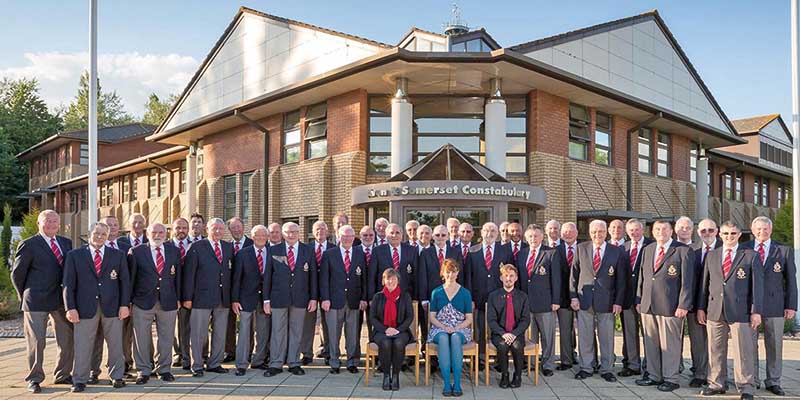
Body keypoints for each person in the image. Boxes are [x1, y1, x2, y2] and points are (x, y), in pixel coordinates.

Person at [697, 221, 763, 400]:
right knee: (715, 349)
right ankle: (717, 383)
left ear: (739, 234)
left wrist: (756, 311)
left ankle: (746, 386)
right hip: (715, 310)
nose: (729, 237)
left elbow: (758, 286)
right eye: (726, 234)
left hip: (741, 311)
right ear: (720, 235)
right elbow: (704, 284)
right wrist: (701, 308)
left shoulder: (750, 256)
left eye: (733, 233)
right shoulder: (712, 255)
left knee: (743, 350)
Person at [11, 210, 74, 393]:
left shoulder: (66, 243)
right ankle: (35, 378)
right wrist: (24, 295)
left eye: (55, 221)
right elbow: (17, 273)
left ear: (60, 224)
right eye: (48, 221)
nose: (52, 224)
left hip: (60, 300)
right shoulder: (29, 244)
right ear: (39, 223)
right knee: (37, 341)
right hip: (35, 300)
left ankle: (63, 374)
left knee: (67, 338)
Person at [63, 222, 130, 392]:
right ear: (89, 234)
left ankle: (116, 376)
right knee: (83, 345)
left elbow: (125, 282)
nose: (99, 237)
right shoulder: (75, 255)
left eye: (103, 234)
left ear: (108, 236)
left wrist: (124, 305)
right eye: (96, 233)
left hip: (113, 307)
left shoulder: (118, 255)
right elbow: (68, 285)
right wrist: (70, 307)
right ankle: (79, 379)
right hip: (84, 307)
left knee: (115, 344)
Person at [634, 220, 693, 391]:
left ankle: (671, 378)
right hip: (648, 305)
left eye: (664, 229)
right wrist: (639, 300)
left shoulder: (682, 250)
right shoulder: (648, 249)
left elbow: (687, 282)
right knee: (651, 342)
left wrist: (683, 304)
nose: (661, 232)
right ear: (652, 231)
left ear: (671, 231)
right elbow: (642, 277)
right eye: (657, 229)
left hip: (671, 306)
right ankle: (653, 375)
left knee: (670, 345)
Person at [570, 219, 627, 382]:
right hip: (584, 300)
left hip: (607, 301)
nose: (597, 234)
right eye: (594, 232)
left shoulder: (616, 251)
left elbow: (621, 280)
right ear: (589, 233)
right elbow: (573, 275)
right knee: (585, 336)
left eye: (601, 231)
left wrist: (618, 302)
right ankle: (586, 367)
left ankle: (607, 369)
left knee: (607, 337)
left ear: (606, 232)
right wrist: (573, 296)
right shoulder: (581, 248)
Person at [745, 216, 796, 396]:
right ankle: (751, 381)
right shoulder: (744, 249)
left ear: (771, 230)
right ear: (752, 230)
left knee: (774, 345)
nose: (762, 232)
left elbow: (791, 281)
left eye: (765, 229)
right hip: (749, 307)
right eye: (758, 229)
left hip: (775, 305)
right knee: (749, 346)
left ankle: (773, 381)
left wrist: (791, 305)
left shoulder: (783, 250)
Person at [128, 223, 181, 383]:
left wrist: (178, 297)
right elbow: (131, 279)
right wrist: (129, 302)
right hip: (142, 301)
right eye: (154, 232)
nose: (158, 235)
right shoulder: (136, 252)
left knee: (166, 337)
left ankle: (164, 369)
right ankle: (143, 370)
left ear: (166, 234)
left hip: (168, 300)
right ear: (147, 233)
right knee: (141, 337)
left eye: (161, 232)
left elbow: (178, 277)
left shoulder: (173, 251)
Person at [263, 222, 318, 377]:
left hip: (301, 298)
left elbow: (313, 276)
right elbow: (267, 277)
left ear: (299, 233)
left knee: (296, 331)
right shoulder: (273, 250)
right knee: (277, 331)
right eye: (288, 232)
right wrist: (266, 299)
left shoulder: (308, 250)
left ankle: (294, 362)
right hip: (278, 298)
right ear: (283, 233)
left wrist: (313, 298)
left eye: (294, 232)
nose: (291, 235)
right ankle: (276, 363)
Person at [182, 218, 233, 377]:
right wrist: (187, 298)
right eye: (214, 228)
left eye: (220, 228)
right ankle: (197, 365)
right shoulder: (196, 247)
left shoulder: (228, 247)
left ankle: (215, 363)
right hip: (201, 298)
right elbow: (189, 275)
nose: (218, 231)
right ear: (207, 230)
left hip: (222, 298)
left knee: (220, 333)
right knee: (198, 333)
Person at [321, 225, 368, 374]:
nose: (347, 239)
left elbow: (364, 279)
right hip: (334, 301)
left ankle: (352, 361)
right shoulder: (329, 254)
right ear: (338, 236)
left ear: (354, 238)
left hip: (354, 301)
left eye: (350, 236)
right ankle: (334, 362)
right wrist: (325, 298)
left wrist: (363, 298)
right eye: (344, 236)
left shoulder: (360, 254)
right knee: (334, 333)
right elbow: (324, 279)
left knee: (353, 333)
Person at [465, 222, 512, 370]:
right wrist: (470, 298)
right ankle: (480, 359)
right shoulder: (472, 251)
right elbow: (468, 277)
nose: (489, 233)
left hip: (500, 299)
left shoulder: (505, 251)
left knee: (499, 330)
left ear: (497, 234)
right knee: (480, 330)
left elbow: (510, 275)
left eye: (493, 231)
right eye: (486, 230)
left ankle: (499, 360)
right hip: (478, 298)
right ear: (481, 233)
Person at [516, 225, 560, 376]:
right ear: (526, 238)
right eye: (530, 236)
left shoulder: (551, 253)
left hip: (545, 302)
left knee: (547, 336)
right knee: (530, 336)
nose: (533, 239)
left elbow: (556, 279)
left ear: (542, 237)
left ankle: (547, 365)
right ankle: (532, 363)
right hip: (526, 303)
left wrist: (556, 300)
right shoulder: (522, 254)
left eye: (536, 236)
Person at [428, 258, 473, 396]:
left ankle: (457, 383)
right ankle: (447, 383)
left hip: (460, 328)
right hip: (439, 327)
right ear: (443, 273)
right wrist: (443, 327)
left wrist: (456, 328)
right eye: (448, 272)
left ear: (458, 273)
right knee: (442, 338)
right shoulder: (436, 292)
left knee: (454, 338)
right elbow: (432, 317)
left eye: (453, 272)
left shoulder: (465, 293)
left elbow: (469, 319)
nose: (450, 275)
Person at [231, 225, 272, 376]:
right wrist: (235, 299)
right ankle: (241, 364)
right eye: (257, 235)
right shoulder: (243, 254)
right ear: (252, 237)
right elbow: (236, 279)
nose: (260, 238)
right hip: (245, 299)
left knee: (262, 331)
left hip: (265, 300)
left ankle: (258, 361)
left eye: (263, 235)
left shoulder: (273, 252)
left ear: (267, 237)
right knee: (244, 332)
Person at [687, 218, 720, 387]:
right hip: (695, 303)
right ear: (698, 232)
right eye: (703, 231)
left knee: (717, 343)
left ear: (717, 231)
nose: (707, 233)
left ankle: (717, 376)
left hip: (719, 304)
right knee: (698, 341)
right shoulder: (691, 250)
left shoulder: (724, 249)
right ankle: (700, 373)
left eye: (710, 230)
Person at [370, 268, 414, 391]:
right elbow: (372, 318)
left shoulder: (405, 296)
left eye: (393, 278)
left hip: (401, 331)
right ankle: (386, 375)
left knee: (399, 343)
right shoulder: (378, 297)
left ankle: (395, 375)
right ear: (384, 281)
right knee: (386, 342)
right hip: (381, 331)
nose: (391, 281)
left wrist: (398, 330)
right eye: (388, 278)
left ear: (398, 280)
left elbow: (410, 317)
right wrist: (385, 330)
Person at [620, 218, 653, 377]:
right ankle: (633, 365)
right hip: (627, 299)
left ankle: (650, 367)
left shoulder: (652, 246)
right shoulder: (623, 248)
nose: (634, 233)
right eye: (631, 230)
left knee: (649, 334)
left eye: (637, 229)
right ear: (627, 232)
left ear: (643, 230)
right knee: (630, 333)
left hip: (646, 299)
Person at [488, 264, 530, 389]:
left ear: (516, 278)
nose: (508, 279)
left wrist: (514, 333)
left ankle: (517, 376)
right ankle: (504, 375)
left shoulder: (523, 297)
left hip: (516, 333)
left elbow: (525, 319)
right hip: (499, 334)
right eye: (505, 276)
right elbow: (491, 320)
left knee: (517, 346)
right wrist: (503, 333)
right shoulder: (493, 296)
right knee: (502, 346)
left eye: (511, 276)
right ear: (501, 278)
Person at [304, 220, 334, 364]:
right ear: (312, 232)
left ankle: (328, 352)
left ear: (327, 232)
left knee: (328, 323)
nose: (320, 231)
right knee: (308, 323)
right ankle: (307, 353)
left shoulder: (334, 248)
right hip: (309, 291)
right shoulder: (306, 248)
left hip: (328, 291)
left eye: (322, 229)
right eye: (316, 229)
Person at [224, 217, 253, 363]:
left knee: (249, 323)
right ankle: (230, 351)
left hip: (248, 290)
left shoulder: (253, 244)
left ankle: (247, 352)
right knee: (229, 322)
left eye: (238, 227)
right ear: (229, 230)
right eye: (233, 228)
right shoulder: (226, 246)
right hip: (230, 291)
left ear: (243, 227)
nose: (236, 230)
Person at [168, 217, 193, 370]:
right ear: (172, 229)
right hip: (169, 292)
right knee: (170, 326)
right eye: (178, 228)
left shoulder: (194, 246)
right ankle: (176, 353)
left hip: (189, 292)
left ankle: (185, 356)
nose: (181, 231)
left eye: (184, 227)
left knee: (185, 325)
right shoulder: (166, 247)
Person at [555, 222, 578, 370]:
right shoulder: (555, 251)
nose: (568, 234)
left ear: (576, 232)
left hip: (584, 295)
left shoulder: (585, 249)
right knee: (564, 330)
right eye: (565, 232)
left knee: (587, 330)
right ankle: (566, 360)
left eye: (570, 231)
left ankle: (592, 361)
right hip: (563, 296)